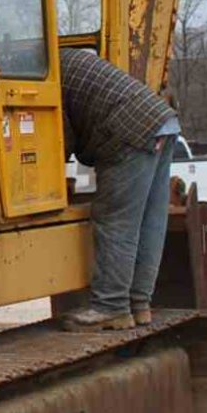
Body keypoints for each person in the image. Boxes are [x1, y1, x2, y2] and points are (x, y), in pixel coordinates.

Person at [57, 48, 179, 330]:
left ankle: (110, 306)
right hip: (162, 122)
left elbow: (58, 137)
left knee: (116, 222)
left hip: (130, 131)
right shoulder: (68, 61)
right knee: (149, 220)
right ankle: (139, 304)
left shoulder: (46, 78)